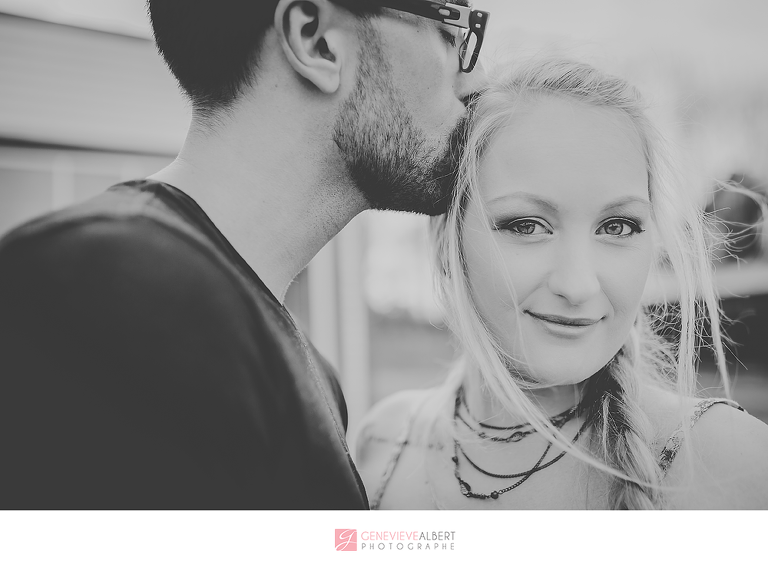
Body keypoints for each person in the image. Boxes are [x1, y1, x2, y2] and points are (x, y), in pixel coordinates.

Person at [0, 0, 488, 508]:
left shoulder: (315, 378)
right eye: (450, 33)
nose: (474, 82)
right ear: (315, 39)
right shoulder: (87, 287)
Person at [355, 58, 768, 509]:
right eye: (527, 225)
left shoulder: (730, 464)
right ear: (446, 240)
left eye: (618, 227)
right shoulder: (385, 447)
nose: (577, 286)